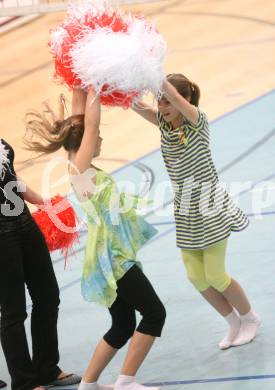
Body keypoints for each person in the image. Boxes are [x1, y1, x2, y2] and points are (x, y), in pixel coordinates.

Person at [24, 88, 166, 390]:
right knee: (154, 313)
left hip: (106, 258)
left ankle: (88, 384)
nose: (99, 139)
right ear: (85, 141)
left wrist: (80, 83)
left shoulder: (76, 161)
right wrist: (97, 87)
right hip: (114, 259)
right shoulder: (81, 168)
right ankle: (126, 381)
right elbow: (90, 124)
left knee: (123, 323)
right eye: (95, 136)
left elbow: (82, 121)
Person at [131, 73, 261, 350]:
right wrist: (113, 85)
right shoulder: (165, 127)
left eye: (167, 101)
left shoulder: (197, 122)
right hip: (186, 211)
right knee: (196, 276)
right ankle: (233, 323)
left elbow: (176, 98)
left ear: (185, 100)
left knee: (215, 274)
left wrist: (154, 72)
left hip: (210, 207)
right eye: (160, 101)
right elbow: (136, 105)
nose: (162, 107)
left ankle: (250, 318)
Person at [0, 137, 81, 390]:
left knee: (48, 296)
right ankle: (24, 381)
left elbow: (10, 177)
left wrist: (42, 201)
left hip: (24, 223)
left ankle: (46, 368)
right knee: (13, 311)